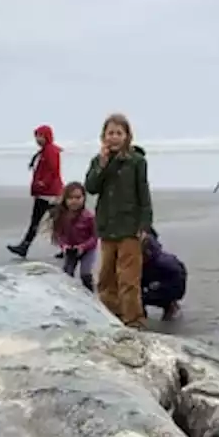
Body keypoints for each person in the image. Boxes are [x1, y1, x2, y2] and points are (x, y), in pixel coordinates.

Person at [84, 114, 153, 328]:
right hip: (107, 226)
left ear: (127, 136)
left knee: (128, 278)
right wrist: (103, 164)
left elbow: (144, 194)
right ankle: (111, 315)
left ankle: (133, 319)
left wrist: (144, 224)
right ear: (103, 136)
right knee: (106, 276)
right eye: (110, 133)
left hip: (129, 226)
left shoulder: (136, 161)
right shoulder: (98, 161)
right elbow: (91, 187)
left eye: (118, 133)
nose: (114, 137)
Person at [8, 124, 63, 258]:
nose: (38, 139)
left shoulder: (50, 151)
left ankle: (24, 246)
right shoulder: (44, 151)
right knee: (56, 222)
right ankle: (66, 248)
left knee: (41, 221)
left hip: (49, 193)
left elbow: (53, 170)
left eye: (40, 136)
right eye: (37, 136)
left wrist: (43, 183)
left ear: (47, 136)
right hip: (47, 193)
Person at [49, 181, 97, 291]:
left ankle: (90, 297)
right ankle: (69, 296)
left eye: (78, 197)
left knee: (85, 275)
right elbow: (59, 235)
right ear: (65, 200)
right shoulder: (61, 216)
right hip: (71, 249)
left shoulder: (89, 217)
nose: (74, 201)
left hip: (87, 250)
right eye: (70, 198)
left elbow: (94, 237)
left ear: (84, 198)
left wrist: (83, 247)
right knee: (67, 275)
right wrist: (64, 246)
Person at [141, 229, 186, 319]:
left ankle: (171, 306)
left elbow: (178, 280)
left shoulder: (164, 263)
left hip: (169, 284)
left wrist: (160, 287)